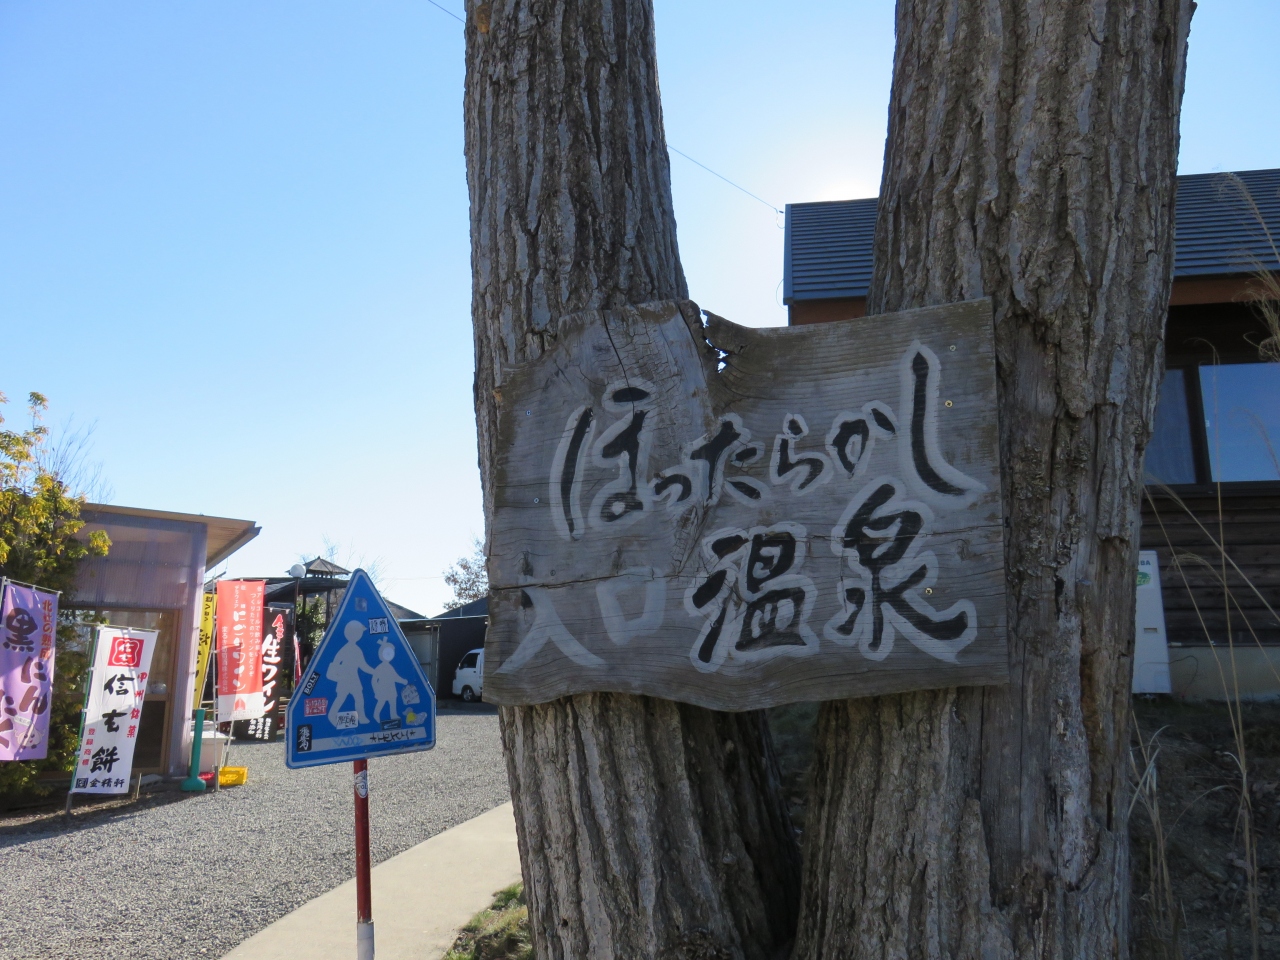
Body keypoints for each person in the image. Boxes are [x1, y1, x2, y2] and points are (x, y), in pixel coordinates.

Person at [327, 620, 374, 726]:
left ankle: (361, 717)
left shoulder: (356, 649)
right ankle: (332, 715)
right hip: (344, 679)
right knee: (341, 698)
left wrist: (374, 672)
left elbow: (363, 665)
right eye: (359, 632)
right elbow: (336, 662)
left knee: (359, 698)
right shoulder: (346, 649)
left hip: (353, 679)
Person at [369, 639, 408, 723]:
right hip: (383, 688)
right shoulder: (380, 667)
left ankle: (393, 715)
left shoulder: (390, 667)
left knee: (393, 701)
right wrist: (376, 690)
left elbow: (395, 676)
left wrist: (402, 681)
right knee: (381, 702)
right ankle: (376, 714)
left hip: (391, 688)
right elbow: (374, 680)